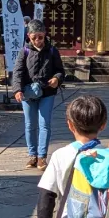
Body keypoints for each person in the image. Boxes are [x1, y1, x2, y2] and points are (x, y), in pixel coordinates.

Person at [14, 19, 63, 169]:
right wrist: (17, 89)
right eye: (34, 37)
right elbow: (18, 72)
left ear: (45, 35)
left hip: (47, 91)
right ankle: (32, 155)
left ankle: (42, 156)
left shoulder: (53, 51)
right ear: (29, 36)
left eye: (40, 37)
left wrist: (57, 78)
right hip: (28, 92)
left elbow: (60, 70)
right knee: (30, 124)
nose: (37, 40)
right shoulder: (25, 51)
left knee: (44, 124)